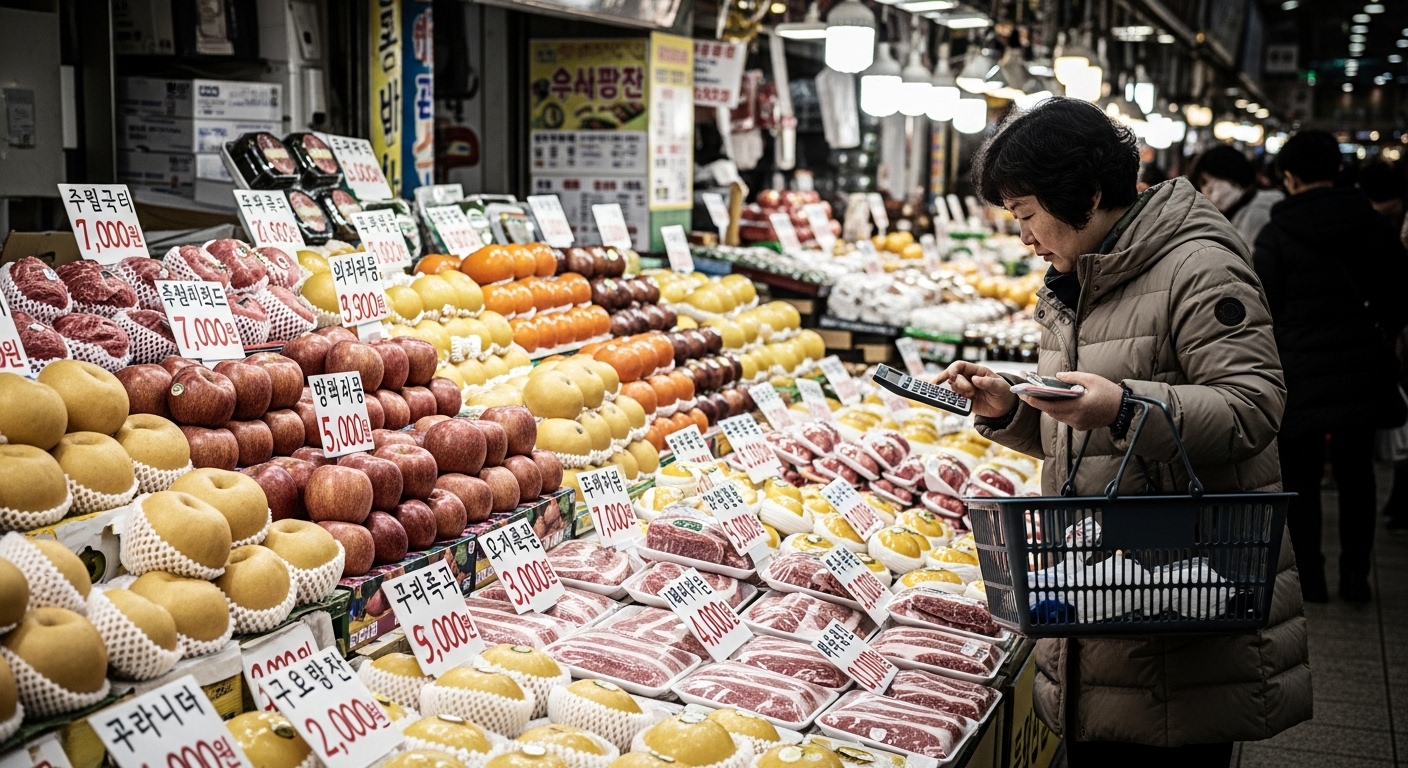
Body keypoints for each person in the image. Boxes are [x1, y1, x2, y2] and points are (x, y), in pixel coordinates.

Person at [943, 97, 1310, 765]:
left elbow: (1255, 406)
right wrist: (1012, 411)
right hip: (1103, 594)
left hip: (1176, 605)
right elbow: (1087, 434)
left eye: (1027, 214)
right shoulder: (1080, 274)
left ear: (1085, 193)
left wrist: (1123, 405)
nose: (1023, 236)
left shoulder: (1198, 267)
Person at [1252, 131, 1408, 602]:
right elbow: (1401, 295)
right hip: (1362, 369)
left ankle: (1312, 580)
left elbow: (1264, 307)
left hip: (1298, 373)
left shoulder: (1276, 234)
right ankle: (1357, 578)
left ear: (1289, 176)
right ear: (1338, 171)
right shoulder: (1374, 226)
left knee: (1300, 478)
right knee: (1356, 474)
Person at [1188, 144, 1284, 253]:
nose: (1205, 193)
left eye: (1206, 183)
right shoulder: (1238, 211)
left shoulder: (1257, 213)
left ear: (1230, 176)